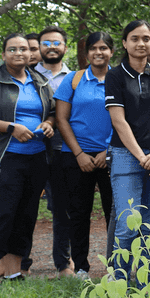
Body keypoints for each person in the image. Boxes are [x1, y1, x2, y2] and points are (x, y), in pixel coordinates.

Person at [0, 34, 55, 283]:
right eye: (12, 49)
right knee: (0, 216)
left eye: (24, 49)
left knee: (25, 217)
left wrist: (48, 123)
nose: (19, 53)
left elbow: (54, 112)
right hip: (0, 161)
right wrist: (10, 127)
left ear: (31, 54)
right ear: (4, 54)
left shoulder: (39, 82)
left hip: (35, 160)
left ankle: (15, 274)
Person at [105, 20, 150, 280]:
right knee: (127, 225)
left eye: (146, 39)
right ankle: (119, 284)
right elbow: (118, 121)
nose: (141, 43)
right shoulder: (115, 75)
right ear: (125, 43)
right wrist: (143, 157)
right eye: (135, 38)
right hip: (126, 157)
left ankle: (147, 285)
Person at [52, 32, 115, 279]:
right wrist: (79, 153)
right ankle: (81, 268)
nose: (98, 53)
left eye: (103, 48)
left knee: (115, 213)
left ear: (111, 51)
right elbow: (61, 119)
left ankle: (115, 269)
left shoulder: (119, 79)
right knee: (78, 214)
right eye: (93, 49)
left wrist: (107, 150)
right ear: (86, 53)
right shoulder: (73, 79)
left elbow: (128, 119)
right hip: (76, 157)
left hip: (113, 154)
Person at [33, 25, 72, 275]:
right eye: (46, 43)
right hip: (29, 149)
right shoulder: (27, 75)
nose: (51, 47)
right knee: (23, 206)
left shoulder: (75, 78)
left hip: (62, 149)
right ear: (39, 47)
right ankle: (19, 264)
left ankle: (63, 263)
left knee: (63, 209)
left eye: (56, 43)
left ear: (64, 48)